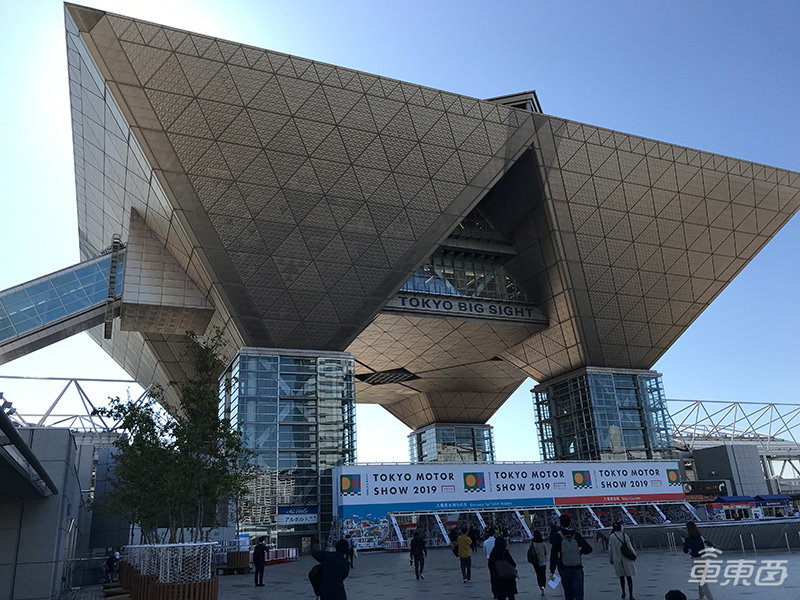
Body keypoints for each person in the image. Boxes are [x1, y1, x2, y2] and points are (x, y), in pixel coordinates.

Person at [549, 513, 593, 600]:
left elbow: (553, 553)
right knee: (579, 593)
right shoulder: (576, 535)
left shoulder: (558, 536)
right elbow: (589, 549)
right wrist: (580, 552)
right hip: (577, 567)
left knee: (568, 593)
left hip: (564, 567)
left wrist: (552, 570)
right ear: (570, 523)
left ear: (560, 523)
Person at [682, 521, 715, 600]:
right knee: (702, 583)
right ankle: (700, 598)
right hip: (704, 560)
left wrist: (684, 542)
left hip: (696, 561)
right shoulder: (700, 538)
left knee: (703, 584)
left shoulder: (688, 540)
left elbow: (685, 551)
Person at [608, 522, 636, 599]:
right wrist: (634, 555)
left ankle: (623, 591)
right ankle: (631, 594)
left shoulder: (611, 537)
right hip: (626, 558)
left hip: (617, 559)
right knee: (629, 577)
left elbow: (610, 550)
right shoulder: (624, 535)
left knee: (621, 577)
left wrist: (611, 559)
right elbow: (630, 547)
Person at [489, 536, 518, 600]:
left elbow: (491, 568)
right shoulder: (505, 552)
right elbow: (513, 564)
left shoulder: (493, 554)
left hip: (499, 580)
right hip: (509, 578)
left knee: (501, 597)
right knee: (511, 596)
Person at [527, 530, 548, 595]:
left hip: (535, 561)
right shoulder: (543, 543)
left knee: (538, 575)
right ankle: (543, 585)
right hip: (543, 561)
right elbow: (546, 552)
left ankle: (541, 586)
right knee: (543, 574)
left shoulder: (533, 543)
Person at [484, 527, 497, 597]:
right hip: (497, 560)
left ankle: (494, 592)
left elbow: (485, 552)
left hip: (490, 560)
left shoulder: (485, 542)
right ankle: (499, 590)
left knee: (492, 576)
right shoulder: (496, 541)